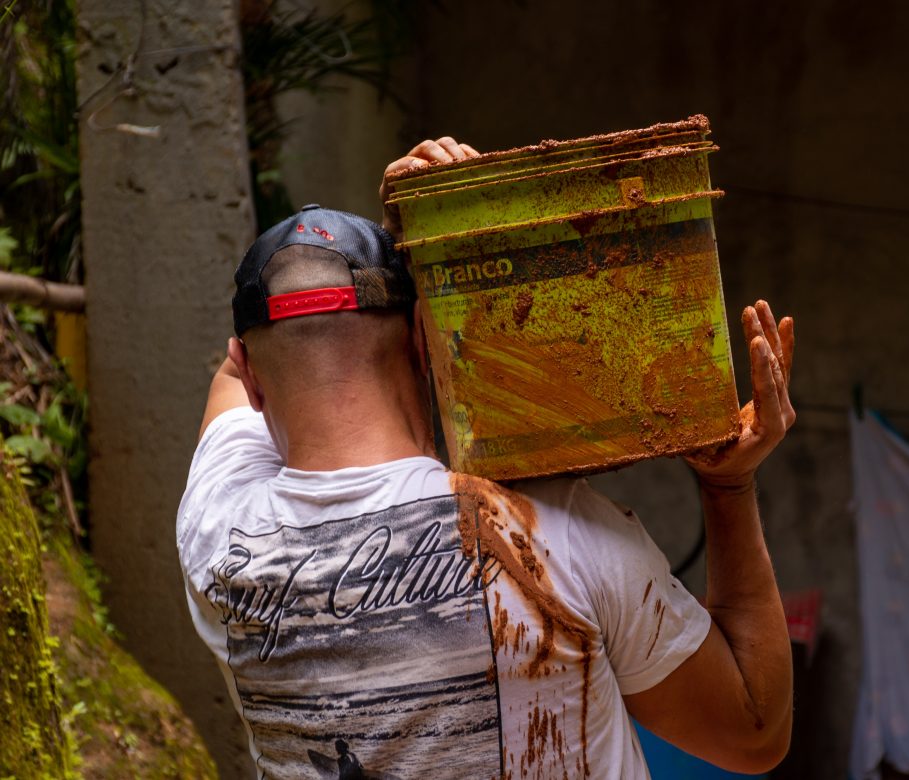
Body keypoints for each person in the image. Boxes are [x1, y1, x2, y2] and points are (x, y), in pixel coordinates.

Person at [178, 137, 796, 779]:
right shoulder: (546, 535)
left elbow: (232, 374)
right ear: (424, 338)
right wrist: (730, 488)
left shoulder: (216, 534)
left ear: (253, 376)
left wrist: (421, 248)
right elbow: (752, 733)